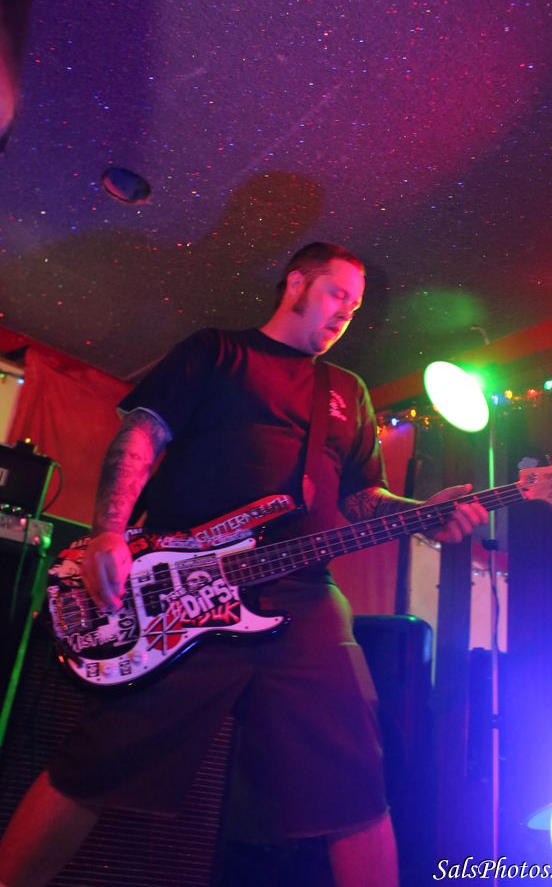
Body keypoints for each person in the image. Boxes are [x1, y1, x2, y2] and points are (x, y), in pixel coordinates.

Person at [0, 242, 487, 887]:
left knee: (356, 781)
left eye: (355, 306)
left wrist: (423, 513)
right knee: (92, 763)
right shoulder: (218, 352)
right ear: (297, 283)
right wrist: (109, 531)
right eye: (337, 294)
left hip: (305, 593)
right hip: (187, 587)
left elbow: (362, 497)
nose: (346, 313)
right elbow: (142, 433)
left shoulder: (347, 391)